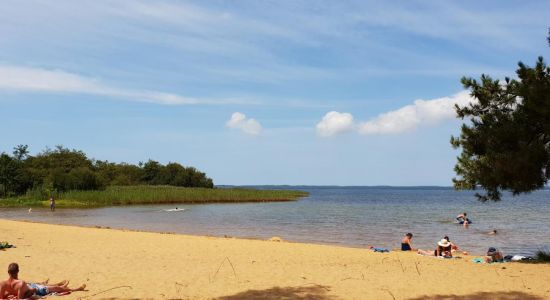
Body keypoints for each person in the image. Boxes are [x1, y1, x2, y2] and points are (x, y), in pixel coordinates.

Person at [0, 263, 86, 299]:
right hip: (36, 290)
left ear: (8, 272)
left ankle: (61, 285)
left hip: (30, 287)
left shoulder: (3, 283)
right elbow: (21, 298)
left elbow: (1, 297)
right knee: (55, 288)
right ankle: (76, 289)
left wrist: (9, 294)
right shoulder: (20, 283)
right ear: (18, 271)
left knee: (37, 284)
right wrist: (31, 291)